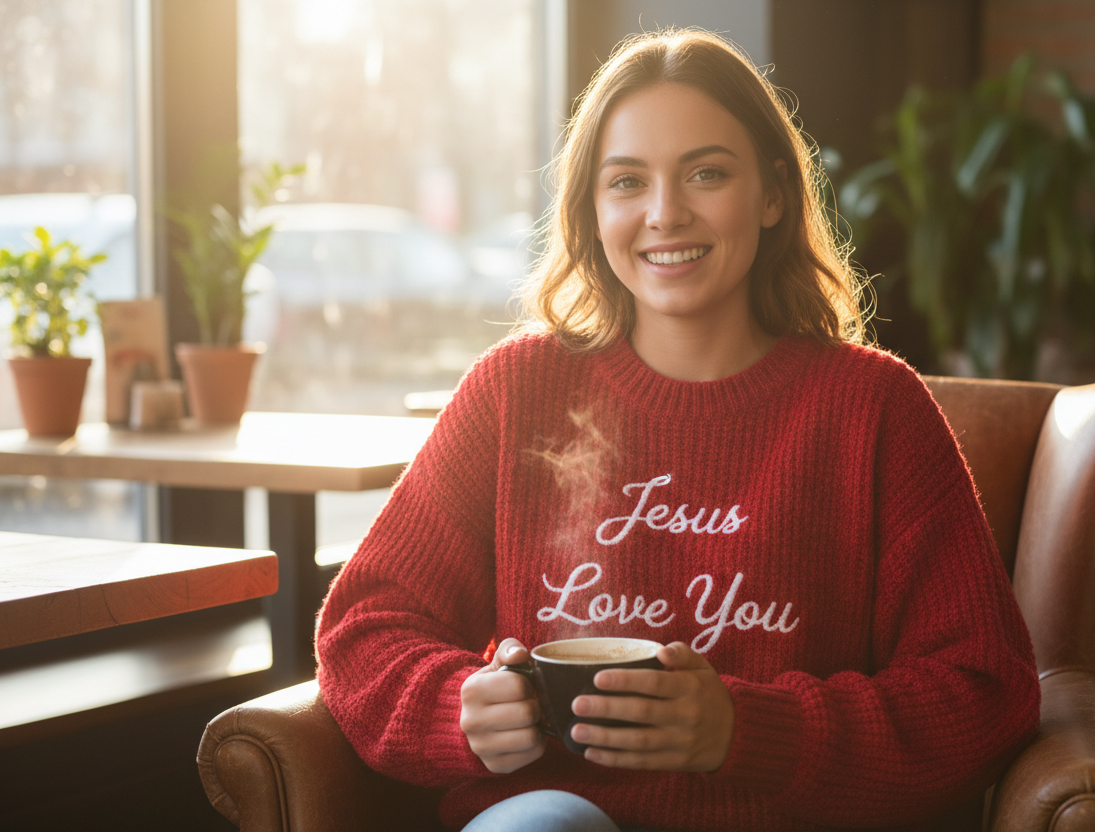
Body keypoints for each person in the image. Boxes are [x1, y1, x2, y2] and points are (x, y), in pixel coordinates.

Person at [316, 28, 1040, 832]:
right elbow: (365, 628)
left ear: (771, 195)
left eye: (706, 173)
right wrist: (457, 707)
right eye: (627, 181)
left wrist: (744, 729)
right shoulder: (516, 392)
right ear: (592, 210)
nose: (665, 214)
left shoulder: (875, 411)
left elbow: (984, 693)